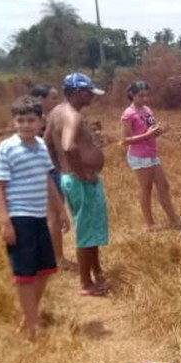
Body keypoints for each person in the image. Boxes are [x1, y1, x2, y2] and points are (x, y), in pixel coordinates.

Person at [0, 96, 71, 337]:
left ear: (41, 122)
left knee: (45, 269)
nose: (25, 125)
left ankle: (28, 316)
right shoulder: (7, 148)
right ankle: (33, 324)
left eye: (30, 120)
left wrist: (60, 209)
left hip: (39, 217)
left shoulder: (39, 146)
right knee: (25, 273)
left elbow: (47, 180)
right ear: (14, 122)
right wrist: (6, 222)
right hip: (19, 216)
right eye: (20, 120)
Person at [46, 72, 110, 296]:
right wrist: (81, 173)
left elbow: (47, 144)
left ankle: (96, 270)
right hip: (80, 181)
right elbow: (68, 146)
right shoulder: (73, 116)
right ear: (77, 92)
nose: (92, 96)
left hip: (69, 178)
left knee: (90, 229)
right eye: (89, 92)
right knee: (86, 231)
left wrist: (60, 168)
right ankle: (86, 283)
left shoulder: (56, 112)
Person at [120, 80, 181, 230]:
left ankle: (174, 220)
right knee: (146, 188)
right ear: (132, 95)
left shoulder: (147, 110)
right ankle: (150, 224)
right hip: (139, 156)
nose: (144, 99)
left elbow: (151, 129)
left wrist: (159, 131)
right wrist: (147, 135)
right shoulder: (129, 114)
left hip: (152, 154)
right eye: (141, 96)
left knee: (163, 186)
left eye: (147, 96)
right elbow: (124, 140)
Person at [30, 83, 75, 271]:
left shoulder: (47, 118)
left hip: (53, 171)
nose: (58, 101)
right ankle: (58, 258)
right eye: (53, 97)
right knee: (54, 216)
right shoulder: (36, 122)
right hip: (46, 173)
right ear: (41, 100)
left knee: (51, 215)